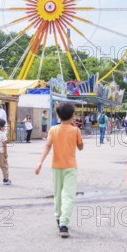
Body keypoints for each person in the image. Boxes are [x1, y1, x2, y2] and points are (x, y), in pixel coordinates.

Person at [35, 102, 84, 238]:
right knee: (68, 195)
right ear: (72, 115)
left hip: (56, 166)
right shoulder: (75, 130)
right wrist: (77, 135)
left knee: (57, 194)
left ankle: (58, 218)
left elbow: (47, 146)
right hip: (70, 167)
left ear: (59, 115)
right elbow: (80, 147)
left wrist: (40, 162)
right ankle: (63, 223)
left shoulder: (53, 129)